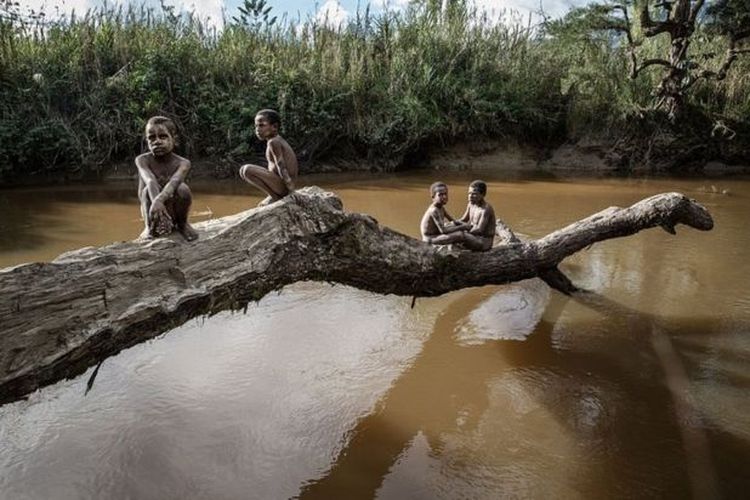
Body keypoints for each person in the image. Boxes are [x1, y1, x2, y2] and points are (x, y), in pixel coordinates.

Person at [134, 115, 198, 241]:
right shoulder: (142, 160)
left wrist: (160, 200)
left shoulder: (183, 163)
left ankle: (182, 224)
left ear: (174, 139)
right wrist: (157, 203)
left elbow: (174, 183)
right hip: (152, 209)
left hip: (172, 208)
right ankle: (149, 227)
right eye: (151, 138)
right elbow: (150, 181)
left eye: (162, 136)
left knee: (182, 189)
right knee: (147, 190)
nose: (157, 141)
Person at [239, 109, 298, 206]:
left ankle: (275, 197)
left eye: (261, 125)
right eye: (256, 126)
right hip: (280, 185)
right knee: (242, 171)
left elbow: (280, 164)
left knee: (246, 170)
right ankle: (273, 195)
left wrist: (291, 190)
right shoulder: (274, 140)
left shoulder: (273, 142)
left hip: (284, 187)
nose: (257, 129)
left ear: (274, 127)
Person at [456, 180, 496, 251]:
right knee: (451, 230)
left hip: (484, 242)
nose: (470, 196)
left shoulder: (486, 209)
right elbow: (463, 220)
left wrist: (461, 229)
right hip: (473, 236)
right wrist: (451, 224)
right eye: (469, 193)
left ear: (482, 195)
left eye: (474, 194)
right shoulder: (471, 204)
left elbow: (479, 230)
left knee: (460, 235)